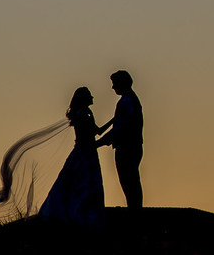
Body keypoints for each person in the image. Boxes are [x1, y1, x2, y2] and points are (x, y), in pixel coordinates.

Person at [37, 86, 110, 226]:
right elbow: (92, 134)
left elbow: (97, 132)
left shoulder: (85, 112)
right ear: (84, 98)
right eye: (89, 95)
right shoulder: (83, 113)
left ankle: (83, 213)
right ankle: (79, 214)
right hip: (84, 152)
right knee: (84, 183)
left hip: (86, 151)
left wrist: (113, 122)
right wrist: (114, 122)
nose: (92, 97)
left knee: (81, 183)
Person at [97, 69, 144, 209]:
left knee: (129, 181)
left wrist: (97, 144)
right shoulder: (131, 100)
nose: (112, 87)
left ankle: (135, 210)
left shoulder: (126, 102)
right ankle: (135, 208)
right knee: (132, 181)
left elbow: (120, 129)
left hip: (127, 147)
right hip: (133, 146)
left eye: (114, 83)